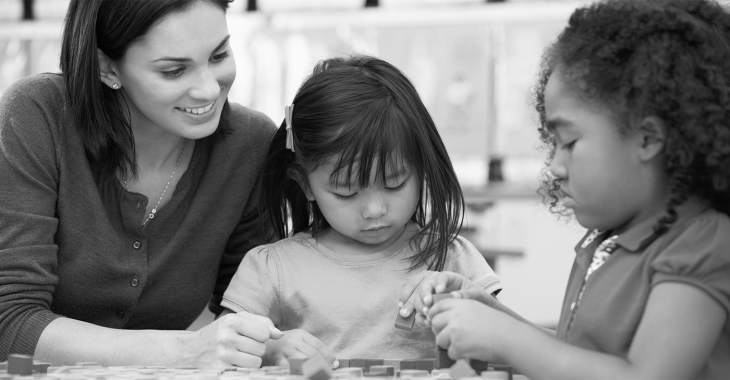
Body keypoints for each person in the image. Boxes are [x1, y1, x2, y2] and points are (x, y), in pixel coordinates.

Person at [398, 0, 730, 378]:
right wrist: (489, 315)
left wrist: (504, 337)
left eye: (569, 143)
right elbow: (577, 357)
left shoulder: (702, 244)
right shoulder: (609, 241)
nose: (554, 166)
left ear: (648, 138)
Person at [0, 0, 285, 368]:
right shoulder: (35, 116)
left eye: (218, 55)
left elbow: (249, 311)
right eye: (173, 70)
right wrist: (187, 351)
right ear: (107, 67)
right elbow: (9, 323)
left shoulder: (250, 145)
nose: (209, 89)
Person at [219, 55, 502, 367]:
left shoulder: (451, 259)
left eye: (395, 183)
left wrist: (463, 309)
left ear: (422, 167)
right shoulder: (273, 270)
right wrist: (272, 350)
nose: (375, 210)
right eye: (346, 191)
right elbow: (221, 351)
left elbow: (508, 346)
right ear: (305, 184)